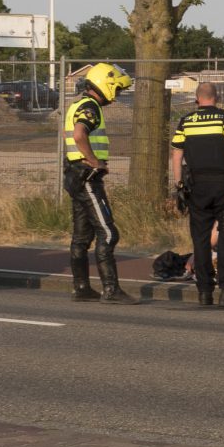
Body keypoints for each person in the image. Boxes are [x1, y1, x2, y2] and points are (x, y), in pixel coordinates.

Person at [169, 82, 224, 307]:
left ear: (197, 99)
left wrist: (179, 185)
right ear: (217, 97)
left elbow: (176, 155)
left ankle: (204, 291)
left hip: (196, 187)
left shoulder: (186, 121)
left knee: (201, 239)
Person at [63, 62, 135, 304]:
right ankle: (111, 290)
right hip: (86, 177)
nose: (116, 97)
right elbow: (79, 134)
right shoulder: (90, 107)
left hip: (74, 174)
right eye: (117, 90)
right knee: (108, 232)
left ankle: (81, 287)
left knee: (81, 236)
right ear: (106, 85)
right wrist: (95, 162)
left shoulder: (78, 103)